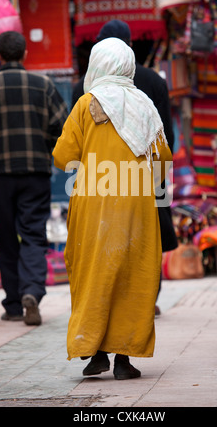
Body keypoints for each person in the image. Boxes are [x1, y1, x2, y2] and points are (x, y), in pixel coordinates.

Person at [52, 37, 173, 379]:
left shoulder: (85, 104)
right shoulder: (145, 105)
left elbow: (63, 157)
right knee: (133, 273)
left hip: (94, 204)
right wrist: (160, 201)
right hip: (137, 205)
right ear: (127, 66)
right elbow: (163, 158)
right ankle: (123, 359)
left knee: (94, 272)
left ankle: (95, 352)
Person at [72, 20, 178, 315]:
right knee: (149, 231)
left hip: (101, 176)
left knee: (103, 233)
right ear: (130, 45)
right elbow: (166, 135)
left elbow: (74, 144)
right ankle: (146, 296)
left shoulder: (85, 87)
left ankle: (106, 300)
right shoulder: (154, 81)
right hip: (148, 173)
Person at [0, 31, 68, 325]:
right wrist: (44, 148)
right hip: (36, 173)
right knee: (34, 233)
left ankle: (13, 304)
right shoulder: (44, 86)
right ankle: (33, 292)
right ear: (25, 54)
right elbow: (62, 128)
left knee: (5, 237)